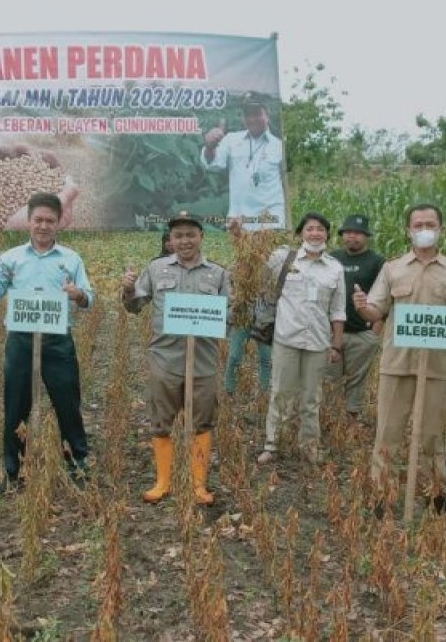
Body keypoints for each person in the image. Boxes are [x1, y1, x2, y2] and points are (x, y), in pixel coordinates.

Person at [353, 204, 446, 511]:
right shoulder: (392, 269)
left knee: (433, 436)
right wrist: (360, 306)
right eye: (418, 224)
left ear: (441, 229)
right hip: (397, 364)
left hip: (438, 367)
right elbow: (376, 310)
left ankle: (437, 493)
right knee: (388, 433)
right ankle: (382, 494)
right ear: (408, 230)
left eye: (430, 224)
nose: (424, 229)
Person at [0, 192, 93, 487]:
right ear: (28, 222)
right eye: (38, 220)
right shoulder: (10, 259)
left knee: (67, 402)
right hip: (20, 340)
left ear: (59, 223)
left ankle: (78, 464)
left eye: (50, 221)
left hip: (57, 341)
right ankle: (13, 469)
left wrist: (77, 294)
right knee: (16, 404)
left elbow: (88, 298)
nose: (43, 226)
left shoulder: (71, 259)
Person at [122, 211, 232, 504]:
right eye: (178, 235)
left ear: (201, 237)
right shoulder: (156, 269)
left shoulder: (218, 274)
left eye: (190, 234)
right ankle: (163, 482)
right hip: (165, 358)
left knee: (203, 420)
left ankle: (198, 485)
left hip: (203, 361)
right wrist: (128, 289)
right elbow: (134, 306)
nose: (185, 240)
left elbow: (231, 315)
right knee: (161, 420)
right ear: (170, 240)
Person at [255, 212, 347, 465]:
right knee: (281, 393)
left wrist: (336, 345)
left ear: (327, 234)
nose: (315, 233)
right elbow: (256, 276)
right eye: (310, 229)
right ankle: (272, 445)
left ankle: (309, 446)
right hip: (286, 338)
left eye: (320, 229)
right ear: (301, 234)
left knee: (311, 397)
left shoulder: (335, 269)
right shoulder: (282, 259)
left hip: (318, 342)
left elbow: (338, 311)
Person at [325, 214, 386, 420]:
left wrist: (374, 333)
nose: (352, 237)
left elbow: (384, 299)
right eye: (348, 232)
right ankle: (331, 420)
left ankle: (352, 421)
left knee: (356, 379)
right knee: (330, 377)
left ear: (366, 236)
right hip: (333, 332)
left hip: (362, 333)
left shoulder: (377, 262)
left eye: (358, 233)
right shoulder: (333, 258)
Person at [200, 100, 287, 231]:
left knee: (272, 252)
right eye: (248, 115)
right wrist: (209, 146)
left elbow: (287, 182)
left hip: (271, 222)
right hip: (239, 222)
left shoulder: (279, 146)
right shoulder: (231, 140)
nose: (252, 119)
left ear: (267, 115)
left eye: (257, 114)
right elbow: (213, 164)